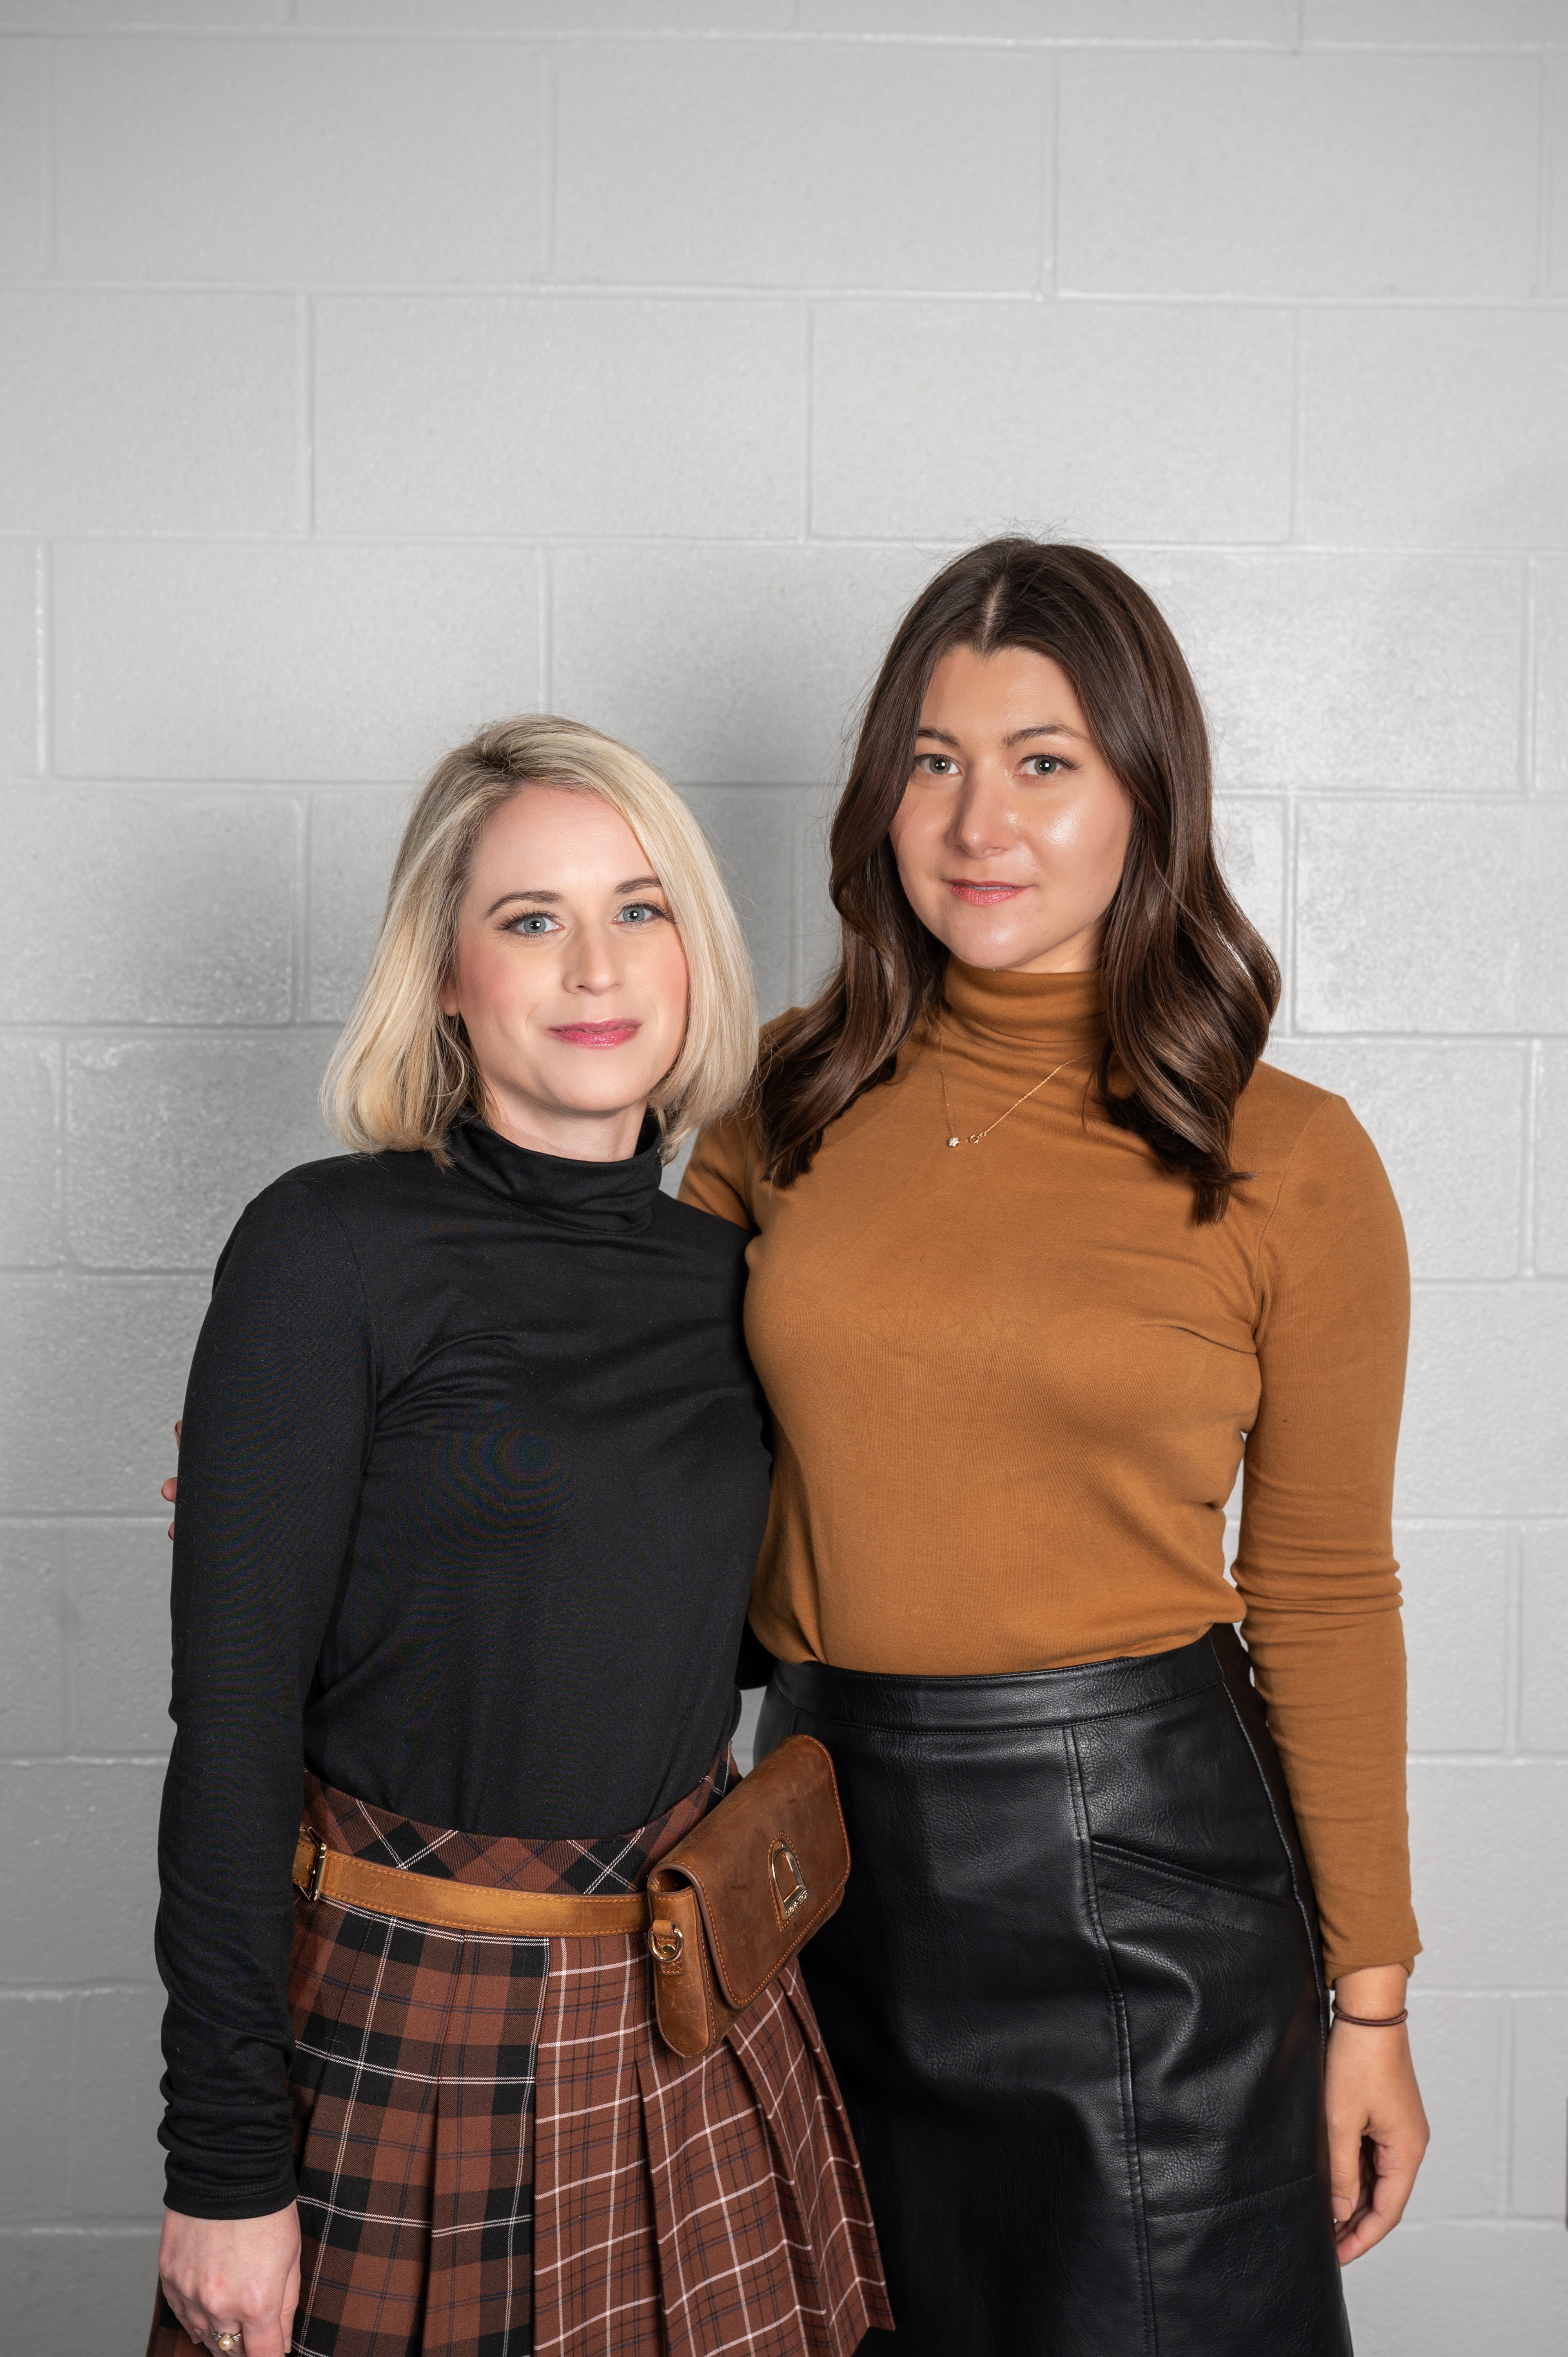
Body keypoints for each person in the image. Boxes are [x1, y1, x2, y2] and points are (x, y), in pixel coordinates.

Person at [681, 540, 1429, 2356]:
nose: (977, 823)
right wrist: (369, 1463)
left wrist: (1372, 2002)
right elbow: (641, 1446)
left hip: (1149, 1885)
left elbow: (1325, 1589)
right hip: (826, 1869)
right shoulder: (781, 1098)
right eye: (934, 761)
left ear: (1144, 796)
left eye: (1044, 763)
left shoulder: (1287, 1154)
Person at [147, 717, 889, 2357]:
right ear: (445, 975)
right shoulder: (325, 1249)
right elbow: (233, 1735)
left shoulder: (743, 1285)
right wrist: (222, 2163)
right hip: (407, 2028)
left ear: (693, 952)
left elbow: (733, 1631)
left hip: (700, 2035)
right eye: (532, 918)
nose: (595, 966)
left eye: (639, 908)